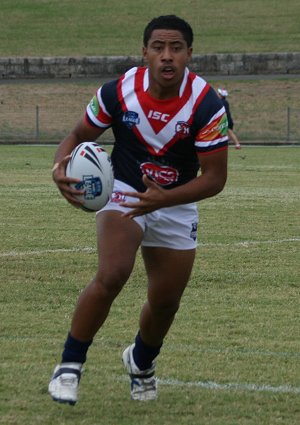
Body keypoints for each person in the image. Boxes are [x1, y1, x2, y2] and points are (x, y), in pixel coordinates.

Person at [48, 15, 228, 404]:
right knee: (113, 273)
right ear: (144, 52)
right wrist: (60, 165)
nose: (167, 56)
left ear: (189, 55)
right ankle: (69, 364)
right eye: (158, 48)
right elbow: (79, 135)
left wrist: (165, 198)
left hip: (176, 201)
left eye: (176, 48)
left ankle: (141, 361)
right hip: (125, 191)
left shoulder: (207, 103)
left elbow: (214, 178)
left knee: (165, 303)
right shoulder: (117, 91)